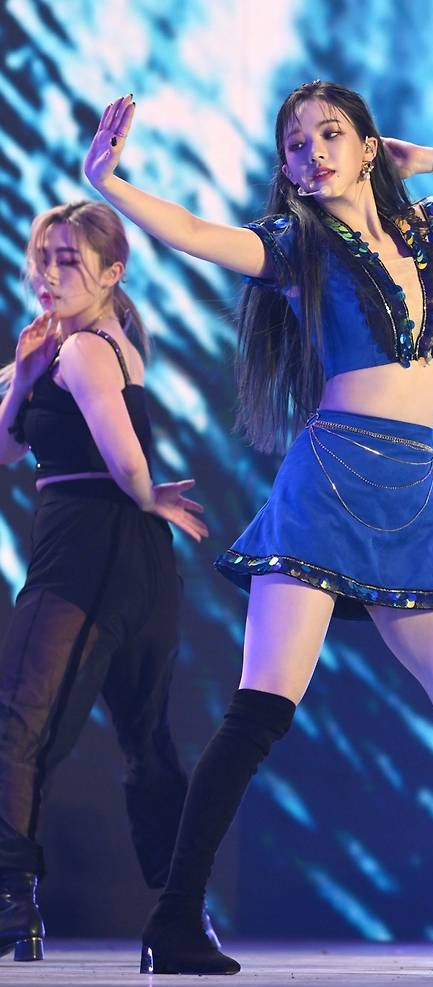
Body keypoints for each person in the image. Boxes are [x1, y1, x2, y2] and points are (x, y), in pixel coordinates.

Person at [84, 81, 433, 976]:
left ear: (367, 146)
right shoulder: (298, 246)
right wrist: (110, 184)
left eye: (331, 134)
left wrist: (429, 157)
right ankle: (174, 920)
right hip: (326, 488)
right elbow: (196, 232)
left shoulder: (428, 229)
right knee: (262, 710)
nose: (313, 153)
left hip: (409, 498)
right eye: (295, 145)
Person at [0, 201, 212, 963]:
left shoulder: (88, 350)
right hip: (135, 562)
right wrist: (24, 376)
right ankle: (182, 914)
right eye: (44, 257)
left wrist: (147, 492)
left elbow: (125, 459)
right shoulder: (68, 347)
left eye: (69, 259)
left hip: (87, 552)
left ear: (111, 272)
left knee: (19, 725)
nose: (50, 273)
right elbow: (3, 447)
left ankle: (12, 902)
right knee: (145, 739)